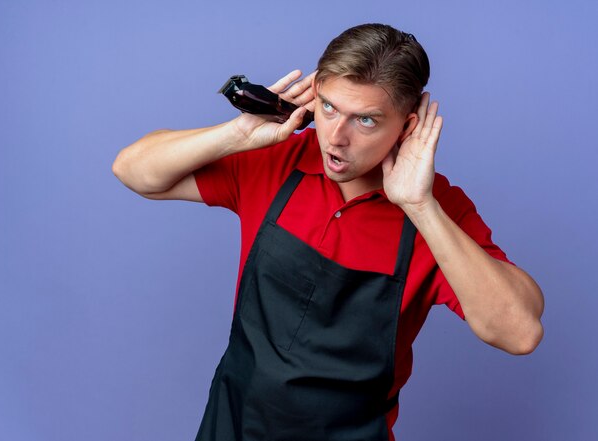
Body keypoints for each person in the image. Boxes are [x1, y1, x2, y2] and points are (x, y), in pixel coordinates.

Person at [112, 23, 544, 441]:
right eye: (329, 108)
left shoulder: (437, 209)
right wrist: (237, 133)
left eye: (367, 121)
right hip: (233, 425)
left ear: (408, 128)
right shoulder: (278, 160)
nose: (335, 137)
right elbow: (134, 171)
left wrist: (420, 206)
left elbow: (519, 332)